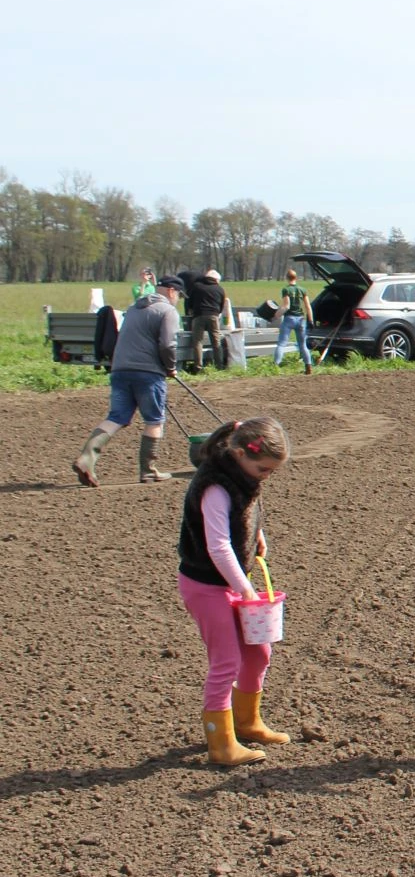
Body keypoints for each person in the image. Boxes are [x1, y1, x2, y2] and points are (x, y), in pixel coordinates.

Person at [179, 417, 293, 766]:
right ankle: (221, 742)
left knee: (258, 653)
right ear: (240, 452)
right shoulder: (215, 486)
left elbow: (247, 512)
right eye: (263, 469)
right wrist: (244, 590)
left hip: (231, 583)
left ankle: (247, 721)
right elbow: (218, 547)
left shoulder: (243, 475)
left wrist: (257, 535)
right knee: (226, 661)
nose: (266, 476)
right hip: (207, 586)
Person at [72, 274, 186, 487]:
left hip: (119, 369)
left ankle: (86, 458)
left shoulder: (134, 308)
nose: (178, 299)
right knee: (154, 420)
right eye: (179, 295)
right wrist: (170, 367)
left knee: (117, 417)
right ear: (172, 291)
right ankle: (148, 471)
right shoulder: (168, 311)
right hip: (148, 373)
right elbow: (167, 344)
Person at [181, 268, 229, 371]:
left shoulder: (196, 287)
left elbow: (189, 302)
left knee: (197, 342)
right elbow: (222, 305)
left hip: (198, 316)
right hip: (213, 316)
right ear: (216, 280)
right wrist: (216, 313)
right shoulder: (220, 289)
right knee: (216, 342)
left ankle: (198, 366)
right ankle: (219, 366)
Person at [275, 268, 314, 373]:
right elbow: (308, 306)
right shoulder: (302, 290)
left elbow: (286, 306)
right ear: (296, 278)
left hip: (289, 319)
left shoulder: (286, 290)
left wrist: (276, 315)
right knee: (302, 345)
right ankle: (308, 366)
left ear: (287, 278)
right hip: (301, 320)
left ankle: (275, 366)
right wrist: (311, 320)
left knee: (281, 344)